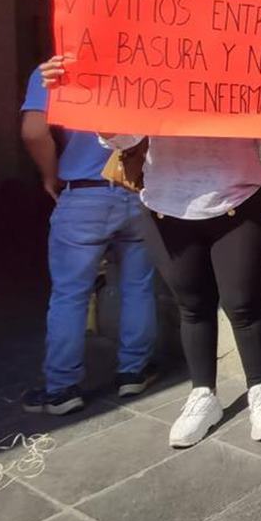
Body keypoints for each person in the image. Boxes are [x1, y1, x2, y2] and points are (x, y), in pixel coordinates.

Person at [39, 55, 261, 448]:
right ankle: (203, 394)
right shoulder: (152, 65)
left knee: (243, 305)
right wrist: (78, 89)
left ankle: (259, 389)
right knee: (192, 306)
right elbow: (123, 137)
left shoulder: (243, 63)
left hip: (237, 200)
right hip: (167, 207)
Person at [20, 66, 157, 415]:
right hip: (139, 190)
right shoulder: (142, 64)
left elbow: (33, 131)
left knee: (70, 294)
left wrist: (50, 175)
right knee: (138, 286)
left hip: (84, 193)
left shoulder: (56, 68)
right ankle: (133, 371)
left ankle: (63, 388)